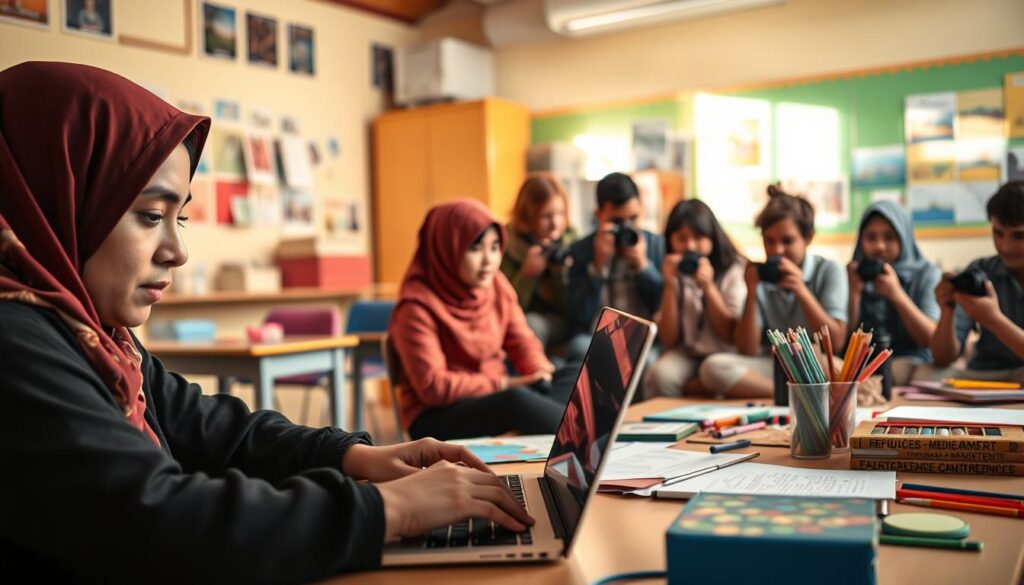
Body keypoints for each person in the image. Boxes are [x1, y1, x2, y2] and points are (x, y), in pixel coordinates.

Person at [0, 62, 532, 584]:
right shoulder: (15, 340)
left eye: (179, 217)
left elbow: (213, 429)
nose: (177, 251)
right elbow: (156, 520)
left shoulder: (100, 339)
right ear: (55, 197)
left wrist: (353, 456)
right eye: (149, 215)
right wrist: (385, 508)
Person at [388, 199, 576, 441]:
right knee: (517, 401)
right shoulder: (416, 307)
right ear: (447, 248)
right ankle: (579, 439)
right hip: (438, 415)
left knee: (570, 373)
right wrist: (504, 384)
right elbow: (433, 387)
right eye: (476, 249)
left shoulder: (495, 284)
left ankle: (537, 433)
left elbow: (522, 340)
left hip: (495, 399)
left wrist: (540, 370)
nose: (489, 260)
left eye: (495, 247)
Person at [701, 185, 848, 398]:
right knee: (713, 367)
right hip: (776, 366)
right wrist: (752, 293)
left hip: (816, 361)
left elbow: (835, 341)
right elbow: (747, 349)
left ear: (808, 238)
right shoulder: (759, 275)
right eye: (769, 241)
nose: (777, 250)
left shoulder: (829, 270)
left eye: (787, 241)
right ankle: (789, 394)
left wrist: (801, 290)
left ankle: (796, 392)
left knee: (842, 371)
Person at [644, 199, 746, 397]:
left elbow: (730, 334)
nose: (690, 246)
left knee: (715, 370)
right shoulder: (673, 270)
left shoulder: (734, 269)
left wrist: (708, 288)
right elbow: (668, 338)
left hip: (724, 354)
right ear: (670, 240)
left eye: (698, 237)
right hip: (688, 354)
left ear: (712, 237)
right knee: (660, 375)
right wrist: (669, 286)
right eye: (681, 238)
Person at [930, 181, 1024, 382]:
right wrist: (947, 311)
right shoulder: (981, 271)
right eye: (998, 233)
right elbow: (943, 358)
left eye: (1019, 236)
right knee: (926, 373)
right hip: (984, 376)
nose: (1006, 247)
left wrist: (994, 321)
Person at [567, 172, 664, 356]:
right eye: (617, 222)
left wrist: (644, 267)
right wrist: (597, 266)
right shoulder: (582, 250)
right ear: (599, 215)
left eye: (633, 218)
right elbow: (578, 316)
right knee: (579, 348)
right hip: (596, 335)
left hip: (643, 336)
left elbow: (662, 307)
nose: (627, 229)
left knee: (650, 362)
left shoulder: (655, 245)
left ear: (642, 209)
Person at [847, 200, 940, 385]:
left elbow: (930, 339)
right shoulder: (853, 274)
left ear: (904, 237)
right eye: (871, 237)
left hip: (912, 360)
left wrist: (897, 295)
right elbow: (843, 342)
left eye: (889, 237)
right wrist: (854, 296)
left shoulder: (926, 273)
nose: (880, 246)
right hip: (862, 362)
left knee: (891, 373)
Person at [500, 173, 578, 352]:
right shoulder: (507, 245)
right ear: (528, 216)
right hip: (526, 321)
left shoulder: (573, 241)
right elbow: (504, 310)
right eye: (546, 216)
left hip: (564, 320)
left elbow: (576, 311)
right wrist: (526, 276)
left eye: (560, 214)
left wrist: (560, 276)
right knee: (532, 324)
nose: (555, 224)